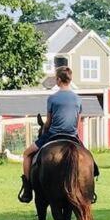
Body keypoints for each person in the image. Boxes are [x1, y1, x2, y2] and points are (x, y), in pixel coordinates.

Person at [19, 65, 81, 203]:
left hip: (53, 134)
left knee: (27, 154)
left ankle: (28, 189)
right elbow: (77, 122)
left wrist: (45, 130)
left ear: (58, 80)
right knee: (89, 158)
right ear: (70, 80)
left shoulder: (52, 98)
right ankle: (89, 189)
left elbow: (48, 122)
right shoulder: (78, 99)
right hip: (72, 135)